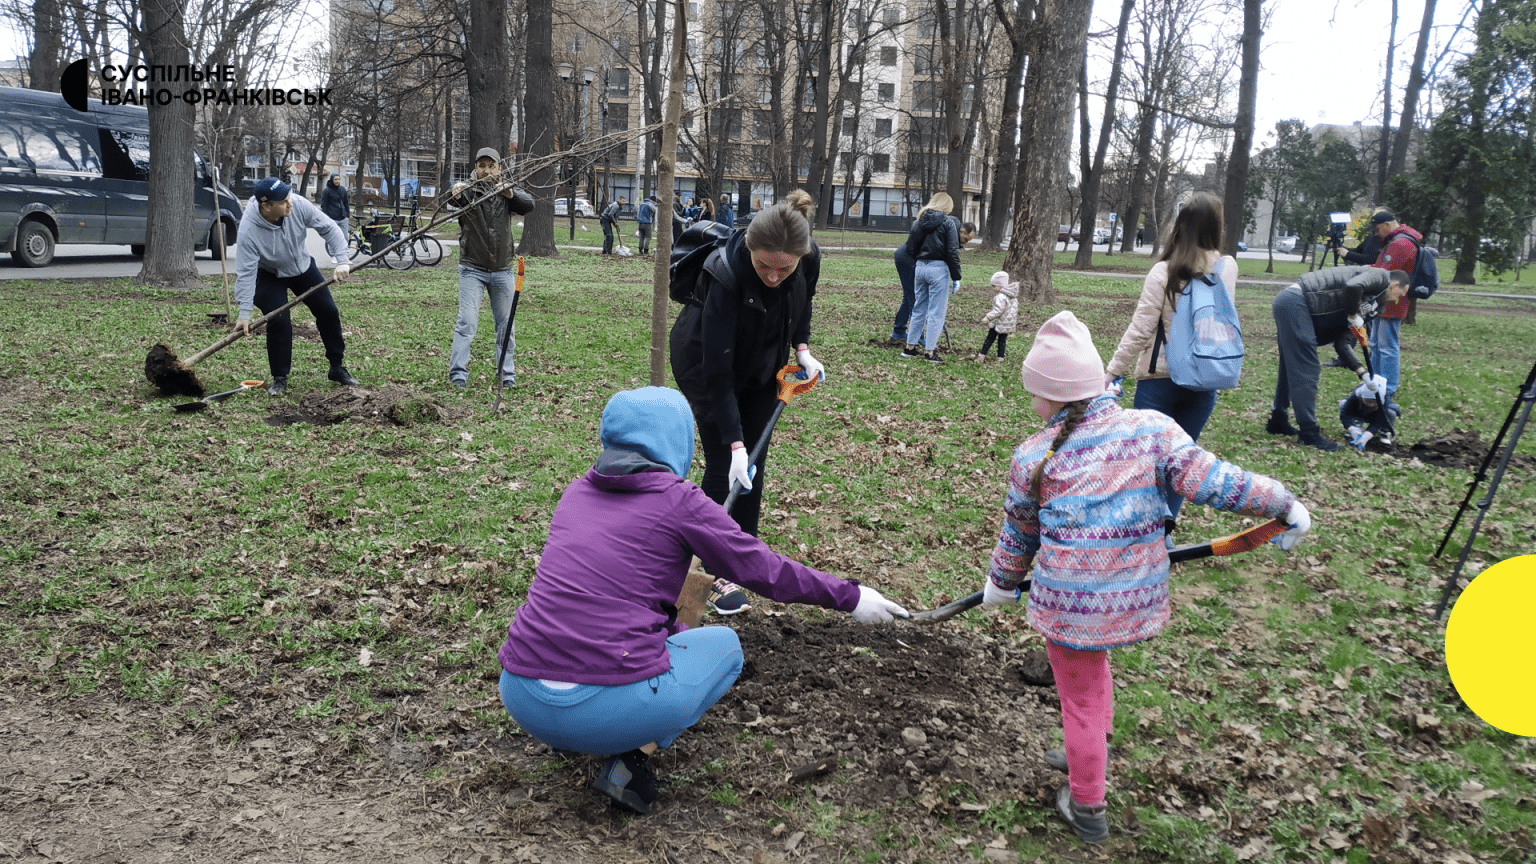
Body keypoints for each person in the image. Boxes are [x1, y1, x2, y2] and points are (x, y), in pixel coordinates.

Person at [497, 386, 908, 816]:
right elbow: (764, 569)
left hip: (523, 695)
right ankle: (628, 762)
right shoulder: (680, 502)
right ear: (678, 441)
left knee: (645, 637)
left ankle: (568, 736)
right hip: (605, 707)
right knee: (727, 647)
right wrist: (851, 596)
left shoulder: (575, 494)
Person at [981, 311, 1310, 844]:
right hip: (1130, 597)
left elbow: (1020, 535)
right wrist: (1282, 501)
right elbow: (1216, 481)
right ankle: (1086, 744)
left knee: (1080, 698)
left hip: (1069, 607)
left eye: (1035, 393)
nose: (1032, 404)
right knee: (1094, 672)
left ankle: (1087, 803)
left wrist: (1000, 582)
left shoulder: (1033, 455)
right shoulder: (1150, 429)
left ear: (1053, 394)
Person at [669, 189, 825, 611]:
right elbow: (718, 375)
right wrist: (735, 440)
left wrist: (802, 349)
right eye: (764, 266)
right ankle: (713, 574)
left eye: (784, 269)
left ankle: (743, 555)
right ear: (751, 250)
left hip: (762, 362)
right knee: (726, 462)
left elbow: (802, 302)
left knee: (753, 466)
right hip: (706, 365)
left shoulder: (807, 259)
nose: (773, 276)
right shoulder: (724, 273)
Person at [1103, 192, 1238, 534]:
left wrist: (1112, 371)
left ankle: (1140, 530)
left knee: (1147, 462)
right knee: (1182, 462)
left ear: (1180, 225)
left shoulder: (1163, 272)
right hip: (1204, 378)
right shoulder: (1226, 268)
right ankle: (1165, 531)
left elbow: (1140, 328)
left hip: (1157, 379)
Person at [234, 177, 355, 397]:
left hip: (302, 267)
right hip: (269, 275)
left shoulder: (297, 204)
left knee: (328, 311)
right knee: (279, 319)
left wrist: (342, 260)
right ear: (266, 206)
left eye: (289, 197)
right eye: (283, 201)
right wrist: (244, 313)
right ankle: (280, 378)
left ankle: (336, 368)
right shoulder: (248, 231)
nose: (290, 203)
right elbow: (245, 273)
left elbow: (330, 228)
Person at [1267, 265, 1408, 451]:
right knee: (1306, 369)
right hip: (1296, 302)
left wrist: (1362, 373)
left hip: (1297, 306)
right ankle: (1309, 433)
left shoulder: (1374, 305)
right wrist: (1352, 314)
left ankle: (1278, 420)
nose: (1398, 301)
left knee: (1289, 366)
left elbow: (1343, 342)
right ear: (1395, 284)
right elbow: (1353, 286)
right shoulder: (1380, 276)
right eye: (1401, 295)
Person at [445, 147, 535, 390]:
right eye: (481, 165)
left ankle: (506, 376)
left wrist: (509, 193)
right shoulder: (468, 191)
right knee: (466, 323)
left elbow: (529, 204)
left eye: (491, 165)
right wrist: (455, 191)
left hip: (503, 269)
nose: (486, 170)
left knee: (505, 325)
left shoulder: (505, 190)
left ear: (499, 167)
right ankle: (458, 376)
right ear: (475, 167)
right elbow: (450, 198)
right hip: (472, 269)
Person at [890, 221, 974, 348]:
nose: (965, 243)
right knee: (915, 298)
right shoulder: (948, 228)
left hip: (911, 257)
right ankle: (918, 337)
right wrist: (956, 277)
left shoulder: (948, 228)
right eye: (966, 239)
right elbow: (950, 253)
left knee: (909, 297)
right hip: (908, 258)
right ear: (961, 232)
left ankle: (899, 331)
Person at [900, 192, 963, 363]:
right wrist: (956, 276)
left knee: (918, 309)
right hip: (938, 269)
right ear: (946, 206)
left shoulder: (918, 222)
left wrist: (919, 261)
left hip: (920, 267)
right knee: (936, 312)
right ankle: (929, 352)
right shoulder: (948, 223)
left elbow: (910, 248)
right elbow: (952, 251)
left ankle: (910, 347)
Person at [1369, 210, 1420, 408]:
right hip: (1385, 301)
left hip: (1392, 301)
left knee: (1387, 346)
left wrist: (1368, 272)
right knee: (1376, 344)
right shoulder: (1398, 241)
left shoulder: (1400, 244)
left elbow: (1387, 274)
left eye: (1378, 230)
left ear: (1387, 226)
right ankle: (1375, 383)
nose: (1377, 234)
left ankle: (1388, 387)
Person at [976, 270, 1018, 360]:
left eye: (994, 286)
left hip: (997, 323)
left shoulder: (1000, 297)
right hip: (1006, 324)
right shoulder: (1012, 296)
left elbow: (998, 310)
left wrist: (988, 317)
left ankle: (982, 355)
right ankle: (1000, 358)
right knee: (1002, 341)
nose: (993, 288)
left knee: (990, 339)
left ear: (1000, 286)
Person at [319, 173, 349, 237]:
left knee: (345, 238)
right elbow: (324, 206)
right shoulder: (326, 191)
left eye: (339, 179)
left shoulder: (342, 189)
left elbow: (346, 203)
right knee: (333, 239)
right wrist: (327, 218)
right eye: (335, 179)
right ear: (331, 180)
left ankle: (344, 247)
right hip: (332, 219)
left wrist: (347, 215)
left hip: (343, 218)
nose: (337, 181)